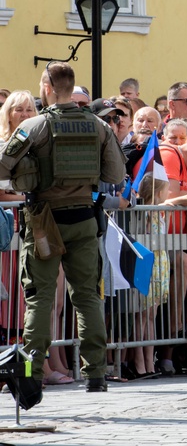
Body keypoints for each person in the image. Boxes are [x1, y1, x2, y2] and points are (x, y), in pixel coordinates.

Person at [0, 62, 126, 394]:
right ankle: (96, 374)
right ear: (72, 87)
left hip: (44, 220)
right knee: (87, 297)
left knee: (39, 298)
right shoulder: (99, 125)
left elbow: (2, 166)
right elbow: (115, 176)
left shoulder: (34, 125)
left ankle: (31, 372)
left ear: (47, 88)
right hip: (84, 218)